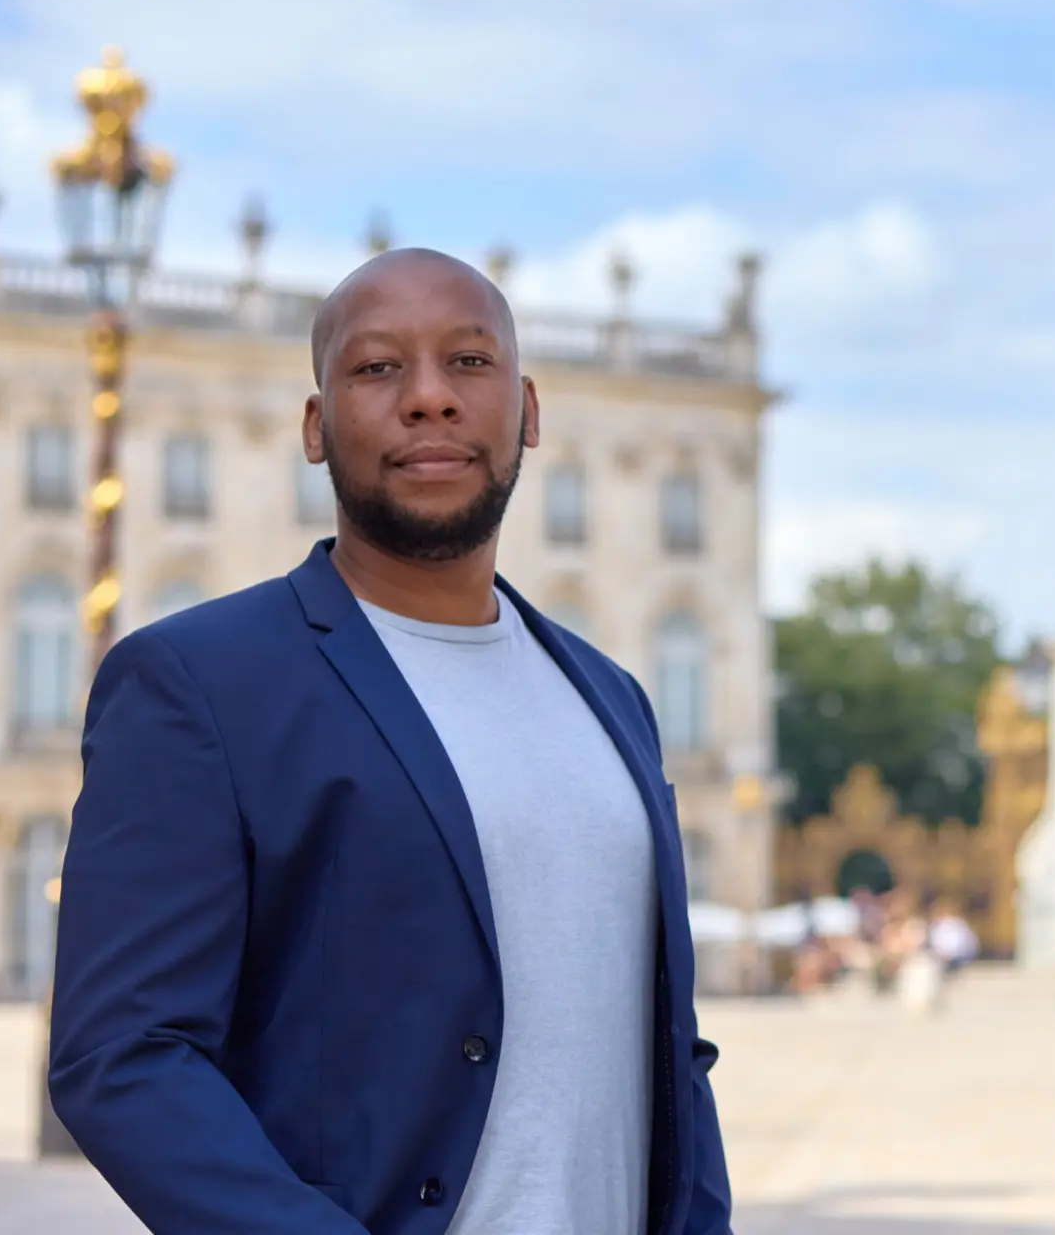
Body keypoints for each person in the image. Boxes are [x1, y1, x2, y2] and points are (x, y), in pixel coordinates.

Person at [48, 248, 733, 1234]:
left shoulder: (613, 698)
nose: (429, 399)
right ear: (317, 428)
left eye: (468, 362)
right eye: (377, 368)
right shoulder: (200, 683)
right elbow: (122, 1054)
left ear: (528, 410)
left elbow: (671, 1054)